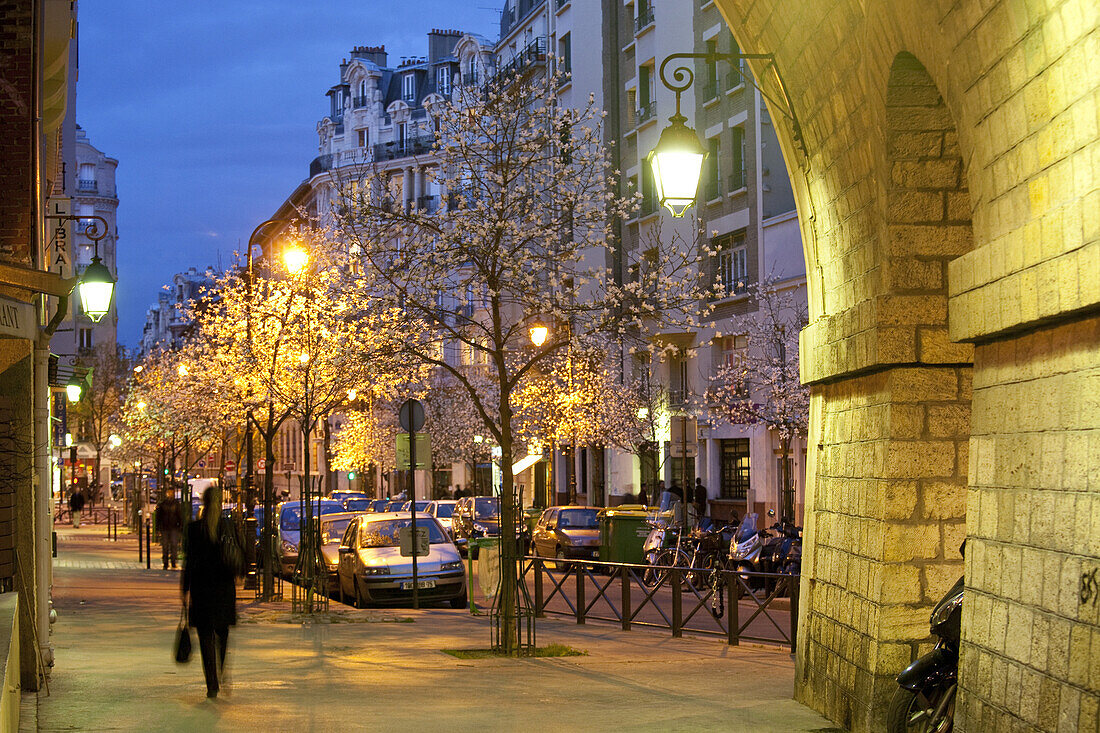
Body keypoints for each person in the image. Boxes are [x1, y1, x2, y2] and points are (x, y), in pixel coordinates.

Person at [181, 486, 241, 699]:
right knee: (222, 635)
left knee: (206, 637)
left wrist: (184, 589)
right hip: (224, 590)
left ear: (203, 501)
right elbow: (239, 555)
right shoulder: (228, 526)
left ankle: (212, 683)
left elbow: (189, 562)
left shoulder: (194, 529)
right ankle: (222, 670)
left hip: (202, 590)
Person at [155, 493, 183, 570]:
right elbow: (159, 516)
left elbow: (179, 515)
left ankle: (173, 562)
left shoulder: (176, 504)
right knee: (165, 546)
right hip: (165, 527)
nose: (170, 494)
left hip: (173, 527)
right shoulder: (163, 504)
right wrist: (158, 528)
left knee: (174, 545)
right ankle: (165, 563)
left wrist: (181, 525)